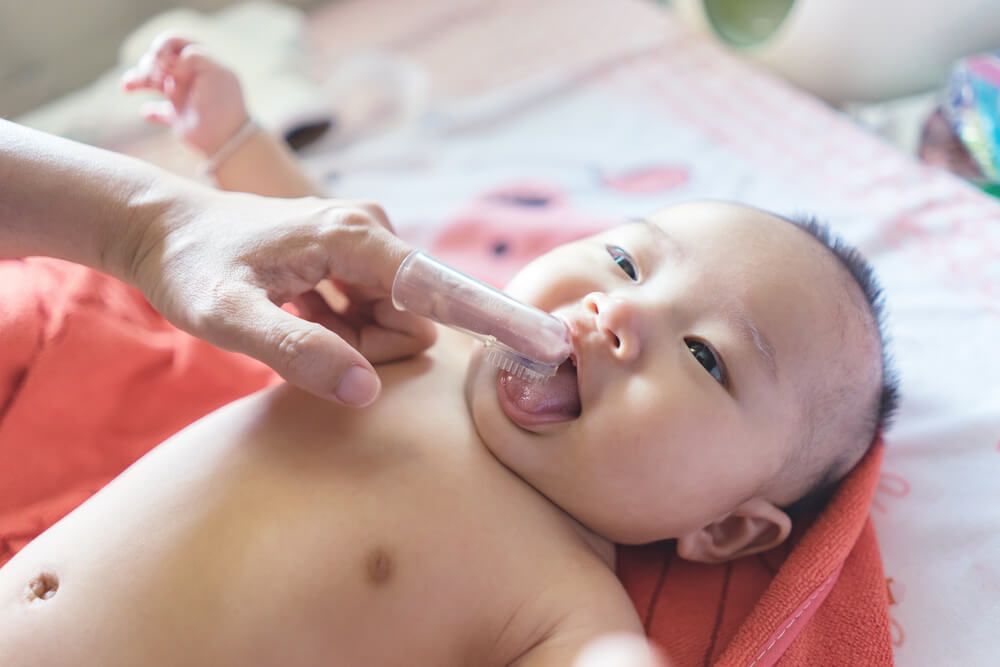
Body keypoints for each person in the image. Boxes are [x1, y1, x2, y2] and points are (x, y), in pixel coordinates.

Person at [0, 35, 898, 666]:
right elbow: (327, 231)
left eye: (706, 357)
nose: (619, 310)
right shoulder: (425, 343)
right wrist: (236, 137)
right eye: (627, 259)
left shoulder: (560, 600)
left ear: (727, 529)